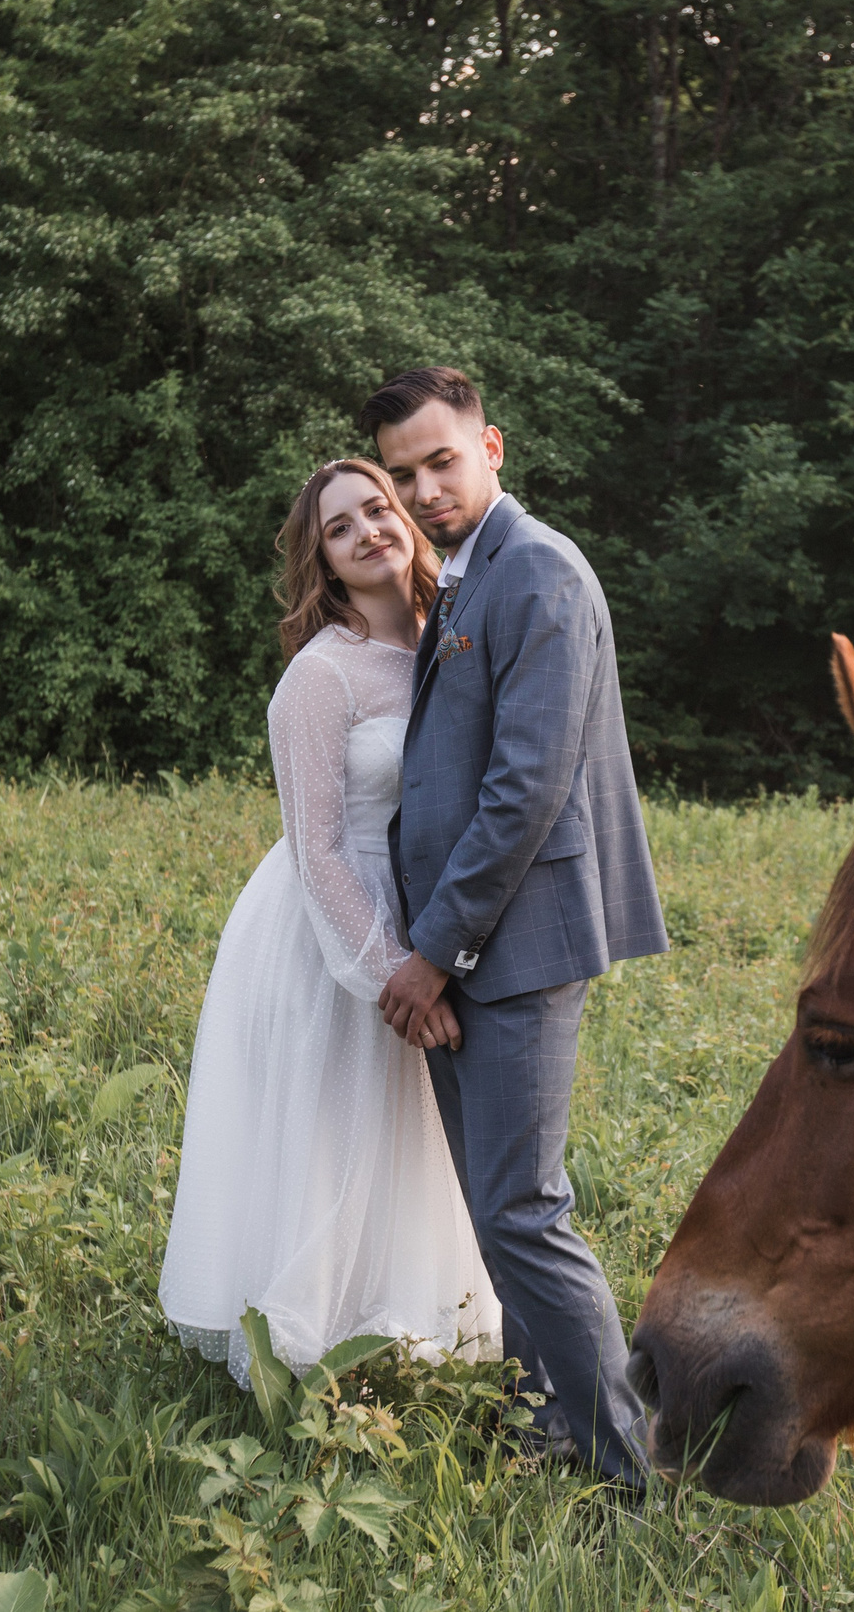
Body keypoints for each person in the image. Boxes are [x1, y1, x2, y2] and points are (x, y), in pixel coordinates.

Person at [363, 367, 670, 1487]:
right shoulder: (465, 575)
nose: (423, 490)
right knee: (501, 1211)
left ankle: (626, 1470)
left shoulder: (537, 568)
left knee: (525, 1212)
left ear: (491, 447)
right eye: (402, 474)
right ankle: (550, 1425)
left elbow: (525, 788)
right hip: (467, 947)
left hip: (516, 941)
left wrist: (432, 953)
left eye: (441, 461)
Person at [158, 459, 499, 1383]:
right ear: (325, 561)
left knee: (414, 1131)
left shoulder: (450, 636)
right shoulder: (320, 676)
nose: (366, 532)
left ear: (407, 518)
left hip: (430, 915)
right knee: (335, 1131)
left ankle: (409, 1319)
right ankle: (303, 1344)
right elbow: (315, 847)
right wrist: (392, 970)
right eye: (339, 528)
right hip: (333, 926)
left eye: (376, 509)